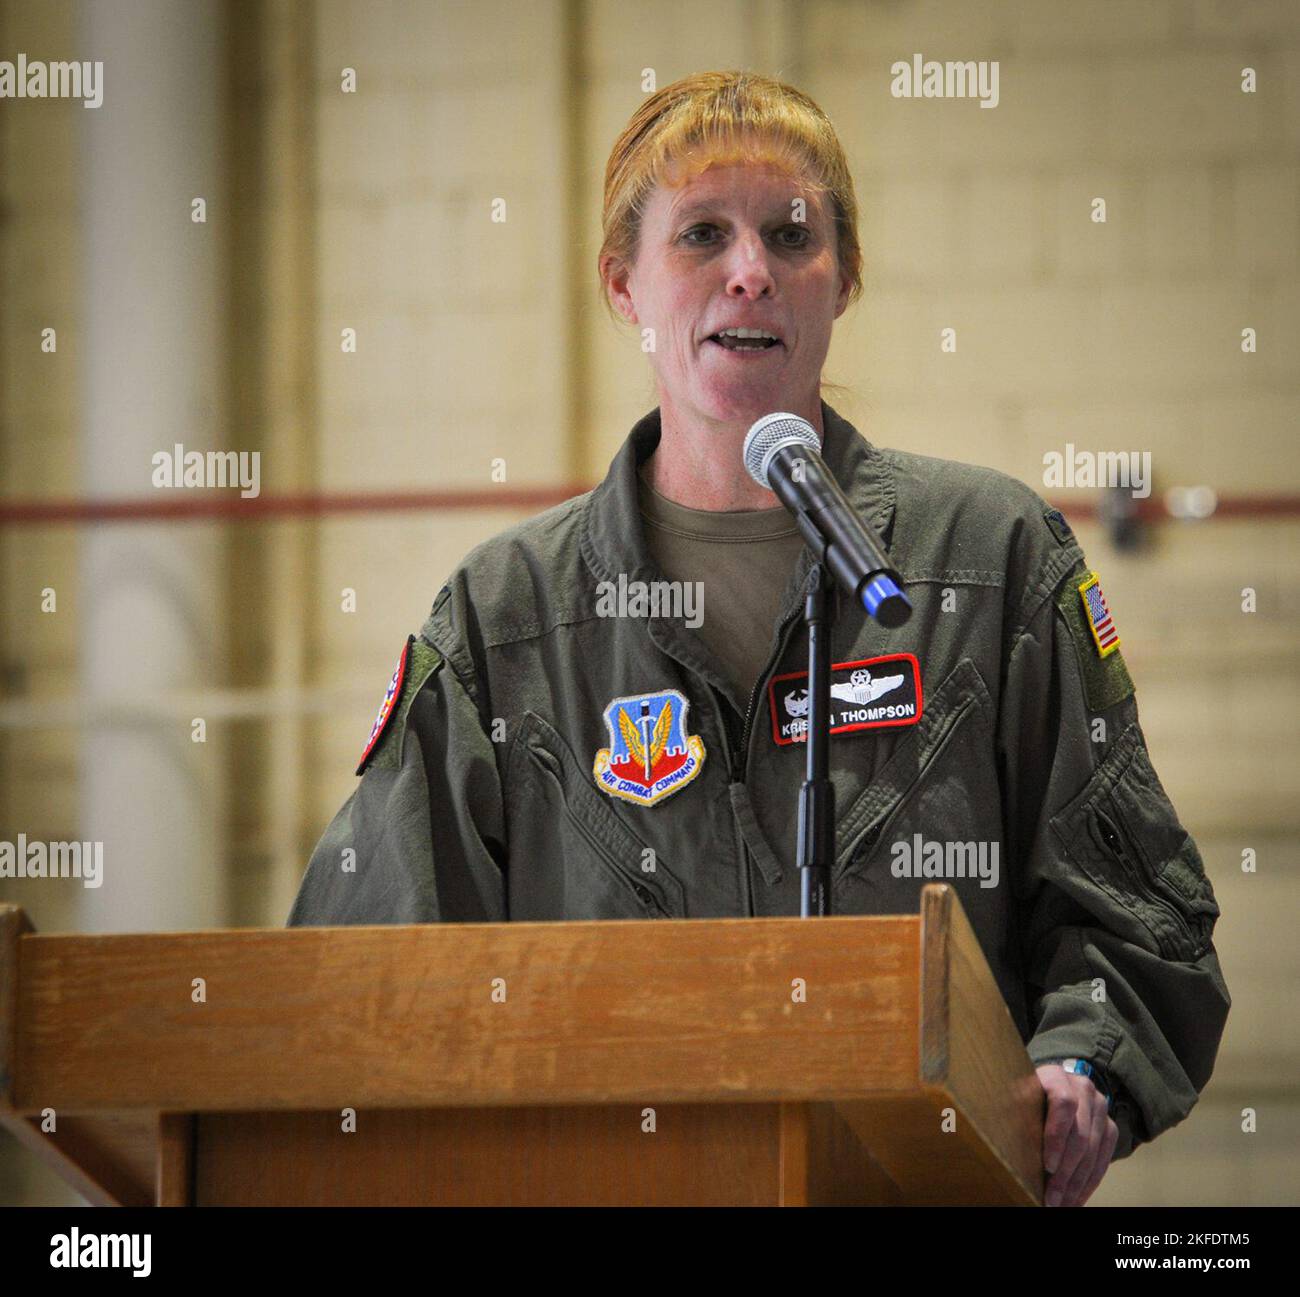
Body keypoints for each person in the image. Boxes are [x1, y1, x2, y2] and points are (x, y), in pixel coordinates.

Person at [288, 71, 1230, 1207]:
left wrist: (1083, 1064)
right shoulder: (506, 622)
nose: (752, 269)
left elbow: (1137, 918)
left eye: (793, 234)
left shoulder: (990, 561)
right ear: (623, 286)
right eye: (701, 234)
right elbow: (359, 974)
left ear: (843, 284)